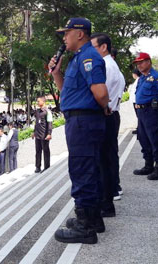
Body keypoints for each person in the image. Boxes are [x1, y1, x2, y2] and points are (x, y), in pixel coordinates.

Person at [48, 17, 109, 244]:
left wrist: (102, 108)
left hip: (84, 121)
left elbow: (101, 94)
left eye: (67, 33)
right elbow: (66, 92)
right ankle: (93, 219)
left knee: (82, 170)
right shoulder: (77, 59)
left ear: (80, 33)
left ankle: (85, 227)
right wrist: (56, 72)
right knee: (86, 169)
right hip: (78, 120)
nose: (64, 37)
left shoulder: (89, 57)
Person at [90, 33, 125, 215]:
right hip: (110, 114)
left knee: (103, 160)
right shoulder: (112, 65)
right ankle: (108, 196)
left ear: (103, 47)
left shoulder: (106, 65)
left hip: (106, 114)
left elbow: (101, 94)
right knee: (107, 158)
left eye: (93, 47)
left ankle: (106, 202)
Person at [132, 52, 158, 181]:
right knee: (144, 138)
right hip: (142, 112)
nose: (139, 65)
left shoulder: (157, 77)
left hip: (152, 111)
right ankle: (148, 165)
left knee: (156, 139)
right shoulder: (142, 78)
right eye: (137, 63)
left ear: (149, 62)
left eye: (141, 62)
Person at [32, 96, 53, 173]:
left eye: (38, 101)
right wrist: (34, 132)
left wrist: (49, 133)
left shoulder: (47, 111)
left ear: (43, 102)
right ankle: (38, 167)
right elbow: (36, 123)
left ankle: (47, 166)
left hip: (44, 135)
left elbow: (50, 123)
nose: (37, 103)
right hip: (38, 134)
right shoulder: (37, 111)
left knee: (46, 151)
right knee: (38, 151)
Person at [128, 68, 142, 135]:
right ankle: (139, 128)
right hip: (135, 100)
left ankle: (140, 129)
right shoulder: (137, 80)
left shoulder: (139, 80)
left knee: (139, 115)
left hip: (136, 101)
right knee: (138, 115)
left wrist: (137, 102)